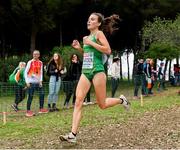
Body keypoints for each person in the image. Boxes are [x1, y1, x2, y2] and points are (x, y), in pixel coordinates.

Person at [60, 12, 130, 143]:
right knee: (78, 101)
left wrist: (90, 43)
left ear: (98, 23)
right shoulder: (86, 37)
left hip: (98, 71)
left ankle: (121, 100)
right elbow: (89, 54)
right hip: (86, 71)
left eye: (92, 19)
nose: (89, 21)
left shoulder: (99, 34)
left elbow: (108, 50)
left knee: (102, 104)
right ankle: (73, 134)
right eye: (88, 19)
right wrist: (80, 48)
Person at [24, 50, 48, 117]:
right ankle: (28, 111)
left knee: (42, 94)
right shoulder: (30, 62)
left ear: (39, 55)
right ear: (33, 55)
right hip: (31, 82)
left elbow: (41, 72)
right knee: (30, 96)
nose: (35, 55)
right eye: (34, 54)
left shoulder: (40, 62)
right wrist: (27, 82)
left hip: (38, 82)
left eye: (37, 54)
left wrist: (41, 81)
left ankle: (41, 109)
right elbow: (25, 72)